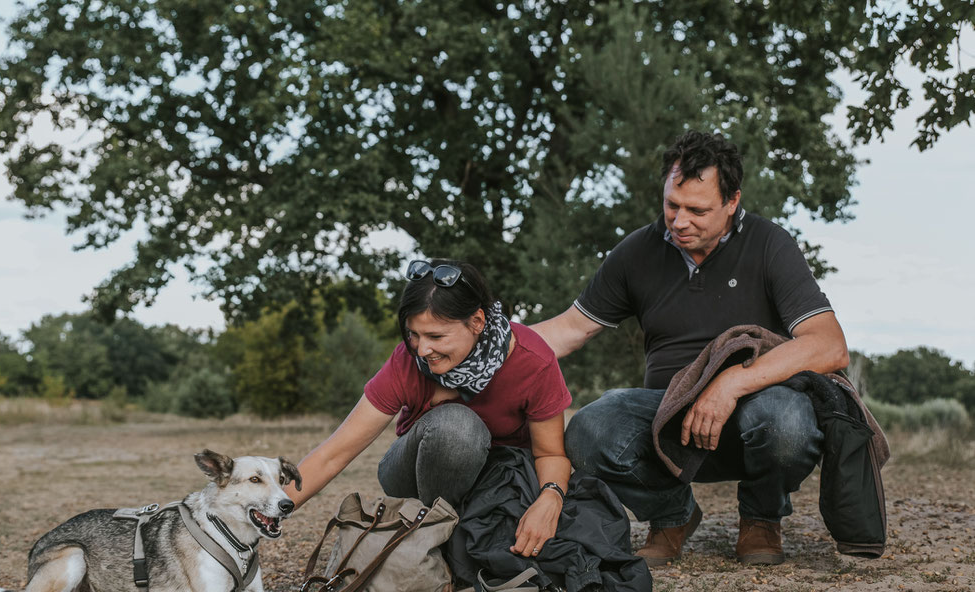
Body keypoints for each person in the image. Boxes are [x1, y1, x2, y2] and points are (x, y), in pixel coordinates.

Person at [532, 130, 849, 567]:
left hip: (754, 414)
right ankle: (673, 516)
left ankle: (761, 517)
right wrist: (491, 344)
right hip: (667, 415)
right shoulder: (636, 252)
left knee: (789, 419)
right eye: (671, 205)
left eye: (697, 210)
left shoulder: (770, 244)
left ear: (732, 201)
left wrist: (731, 383)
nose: (679, 222)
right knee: (588, 430)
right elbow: (570, 329)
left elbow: (829, 345)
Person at [290, 258, 573, 559]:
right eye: (414, 334)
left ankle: (467, 539)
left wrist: (550, 497)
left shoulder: (534, 361)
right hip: (413, 472)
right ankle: (435, 536)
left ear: (477, 322)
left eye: (436, 336)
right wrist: (271, 510)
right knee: (457, 427)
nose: (422, 350)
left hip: (496, 478)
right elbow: (335, 452)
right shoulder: (407, 360)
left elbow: (551, 453)